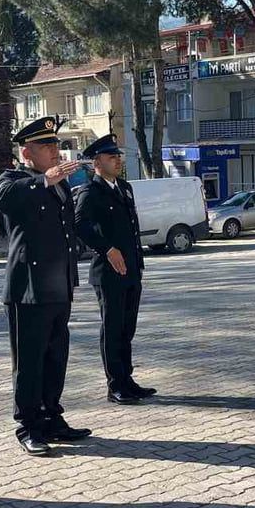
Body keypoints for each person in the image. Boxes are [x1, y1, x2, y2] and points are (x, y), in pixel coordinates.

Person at [0, 116, 91, 457]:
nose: (54, 151)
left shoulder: (60, 184)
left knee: (55, 358)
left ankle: (52, 416)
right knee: (29, 362)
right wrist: (44, 182)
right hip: (28, 290)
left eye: (55, 145)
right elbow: (4, 199)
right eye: (45, 146)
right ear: (26, 153)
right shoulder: (13, 180)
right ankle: (29, 425)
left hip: (58, 287)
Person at [75, 134, 156, 405]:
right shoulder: (91, 191)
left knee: (127, 327)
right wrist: (107, 249)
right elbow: (80, 226)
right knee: (112, 327)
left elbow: (131, 230)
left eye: (118, 156)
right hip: (108, 272)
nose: (118, 160)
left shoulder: (124, 187)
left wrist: (138, 264)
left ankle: (127, 379)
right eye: (112, 157)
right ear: (97, 162)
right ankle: (115, 385)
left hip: (131, 269)